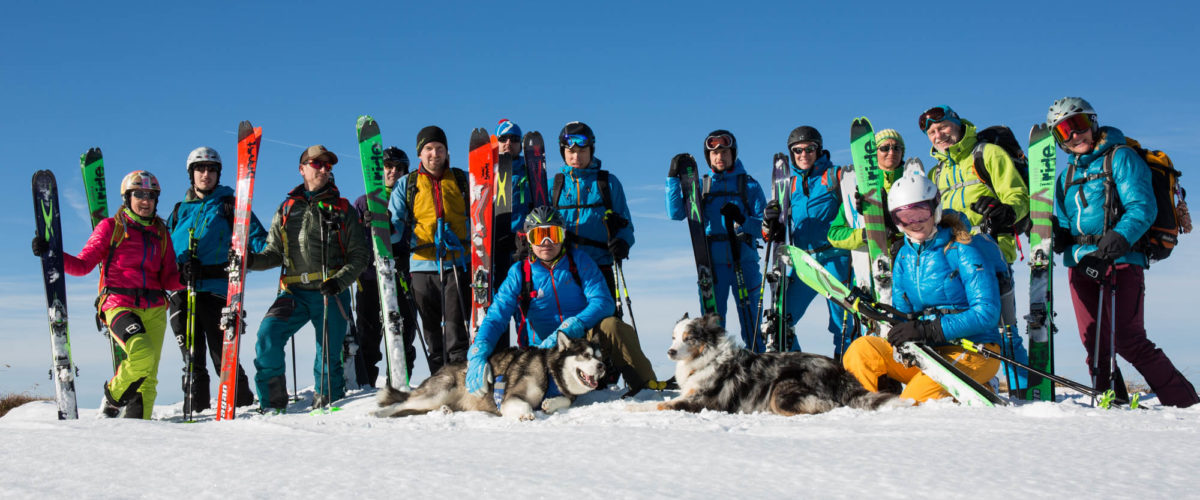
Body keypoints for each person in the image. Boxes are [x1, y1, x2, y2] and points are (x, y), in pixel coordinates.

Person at [1048, 97, 1198, 407]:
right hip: (1081, 265)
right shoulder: (1066, 177)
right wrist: (1060, 235)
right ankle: (1109, 403)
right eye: (1064, 131)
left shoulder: (1121, 157)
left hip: (1121, 261)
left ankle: (1185, 403)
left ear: (1092, 122)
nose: (1074, 136)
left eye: (1078, 125)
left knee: (1127, 339)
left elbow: (1142, 207)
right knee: (1095, 343)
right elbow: (1064, 220)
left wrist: (1114, 243)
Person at [465, 207, 663, 399]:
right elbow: (496, 316)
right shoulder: (520, 272)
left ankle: (647, 388)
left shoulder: (579, 261)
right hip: (543, 352)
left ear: (563, 236)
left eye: (553, 234)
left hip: (583, 345)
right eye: (538, 236)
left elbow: (603, 301)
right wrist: (478, 351)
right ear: (528, 240)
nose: (546, 242)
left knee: (612, 325)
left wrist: (574, 325)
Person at [841, 170, 1003, 403]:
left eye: (920, 212)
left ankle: (982, 385)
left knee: (911, 403)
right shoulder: (903, 257)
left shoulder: (963, 249)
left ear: (935, 209)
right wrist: (886, 318)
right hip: (929, 352)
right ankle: (867, 410)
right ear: (895, 220)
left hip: (973, 350)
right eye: (904, 216)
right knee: (862, 350)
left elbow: (986, 313)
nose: (914, 223)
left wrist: (927, 330)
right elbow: (903, 313)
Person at [33, 170, 183, 418]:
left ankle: (139, 430)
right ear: (127, 197)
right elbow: (82, 266)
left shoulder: (161, 234)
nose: (146, 201)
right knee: (141, 353)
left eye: (151, 195)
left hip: (155, 307)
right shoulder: (111, 227)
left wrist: (186, 278)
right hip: (118, 303)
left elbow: (167, 278)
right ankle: (113, 399)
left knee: (148, 376)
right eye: (139, 195)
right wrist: (52, 253)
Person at [248, 145, 370, 411]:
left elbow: (359, 257)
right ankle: (271, 405)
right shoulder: (287, 208)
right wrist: (250, 261)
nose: (324, 169)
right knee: (267, 337)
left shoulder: (343, 209)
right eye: (317, 164)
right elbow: (273, 253)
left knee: (327, 355)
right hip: (293, 292)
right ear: (302, 168)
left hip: (331, 291)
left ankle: (328, 403)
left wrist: (339, 281)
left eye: (328, 166)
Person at [919, 105, 1031, 393]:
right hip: (952, 260)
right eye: (932, 132)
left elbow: (1018, 195)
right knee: (965, 330)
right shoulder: (936, 171)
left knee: (1004, 330)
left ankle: (1024, 392)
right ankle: (980, 385)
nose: (938, 134)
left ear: (957, 123)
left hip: (989, 251)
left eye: (942, 127)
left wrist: (1005, 211)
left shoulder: (987, 155)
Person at [165, 147, 267, 413]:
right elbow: (160, 248)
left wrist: (274, 251)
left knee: (223, 355)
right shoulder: (178, 212)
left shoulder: (230, 205)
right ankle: (195, 409)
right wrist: (180, 266)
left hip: (218, 290)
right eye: (200, 169)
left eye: (211, 170)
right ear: (191, 174)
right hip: (182, 291)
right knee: (191, 358)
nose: (205, 174)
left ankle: (241, 404)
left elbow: (257, 239)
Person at [665, 130, 766, 349]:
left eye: (724, 152)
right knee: (712, 326)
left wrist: (743, 220)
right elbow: (676, 213)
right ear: (708, 157)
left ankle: (757, 365)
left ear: (733, 153)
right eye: (714, 153)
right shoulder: (701, 186)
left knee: (751, 321)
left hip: (745, 261)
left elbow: (764, 229)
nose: (719, 157)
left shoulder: (749, 186)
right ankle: (716, 368)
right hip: (712, 266)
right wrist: (672, 179)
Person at [388, 126, 471, 373]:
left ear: (447, 152)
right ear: (420, 153)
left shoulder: (462, 179)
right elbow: (394, 229)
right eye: (428, 149)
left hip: (457, 263)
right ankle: (438, 379)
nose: (434, 154)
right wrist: (379, 224)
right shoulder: (408, 184)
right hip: (422, 265)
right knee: (432, 330)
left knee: (457, 328)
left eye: (439, 148)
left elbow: (481, 215)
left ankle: (460, 380)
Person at [762, 126, 850, 355]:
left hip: (835, 259)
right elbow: (772, 233)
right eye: (797, 150)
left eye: (809, 149)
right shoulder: (788, 185)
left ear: (818, 149)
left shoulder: (836, 175)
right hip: (804, 262)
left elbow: (854, 209)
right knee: (781, 321)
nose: (804, 154)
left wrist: (859, 201)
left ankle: (846, 373)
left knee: (844, 326)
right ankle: (800, 368)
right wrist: (767, 221)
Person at [353, 146, 419, 385]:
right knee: (368, 334)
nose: (393, 172)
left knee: (404, 331)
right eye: (388, 167)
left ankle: (400, 382)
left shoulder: (412, 200)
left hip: (403, 275)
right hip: (371, 276)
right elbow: (352, 238)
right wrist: (363, 225)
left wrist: (405, 253)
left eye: (399, 168)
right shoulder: (363, 202)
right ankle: (364, 384)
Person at [548, 121, 635, 300]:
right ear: (563, 152)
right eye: (571, 152)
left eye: (582, 151)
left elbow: (626, 223)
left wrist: (623, 242)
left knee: (606, 323)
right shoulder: (553, 186)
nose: (576, 157)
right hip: (562, 269)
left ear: (591, 150)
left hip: (600, 267)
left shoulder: (608, 183)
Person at [490, 119, 531, 349]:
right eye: (503, 139)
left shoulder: (530, 173)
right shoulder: (487, 173)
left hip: (523, 245)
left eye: (514, 140)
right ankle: (500, 358)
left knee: (524, 303)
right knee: (500, 302)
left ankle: (528, 354)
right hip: (496, 245)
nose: (508, 143)